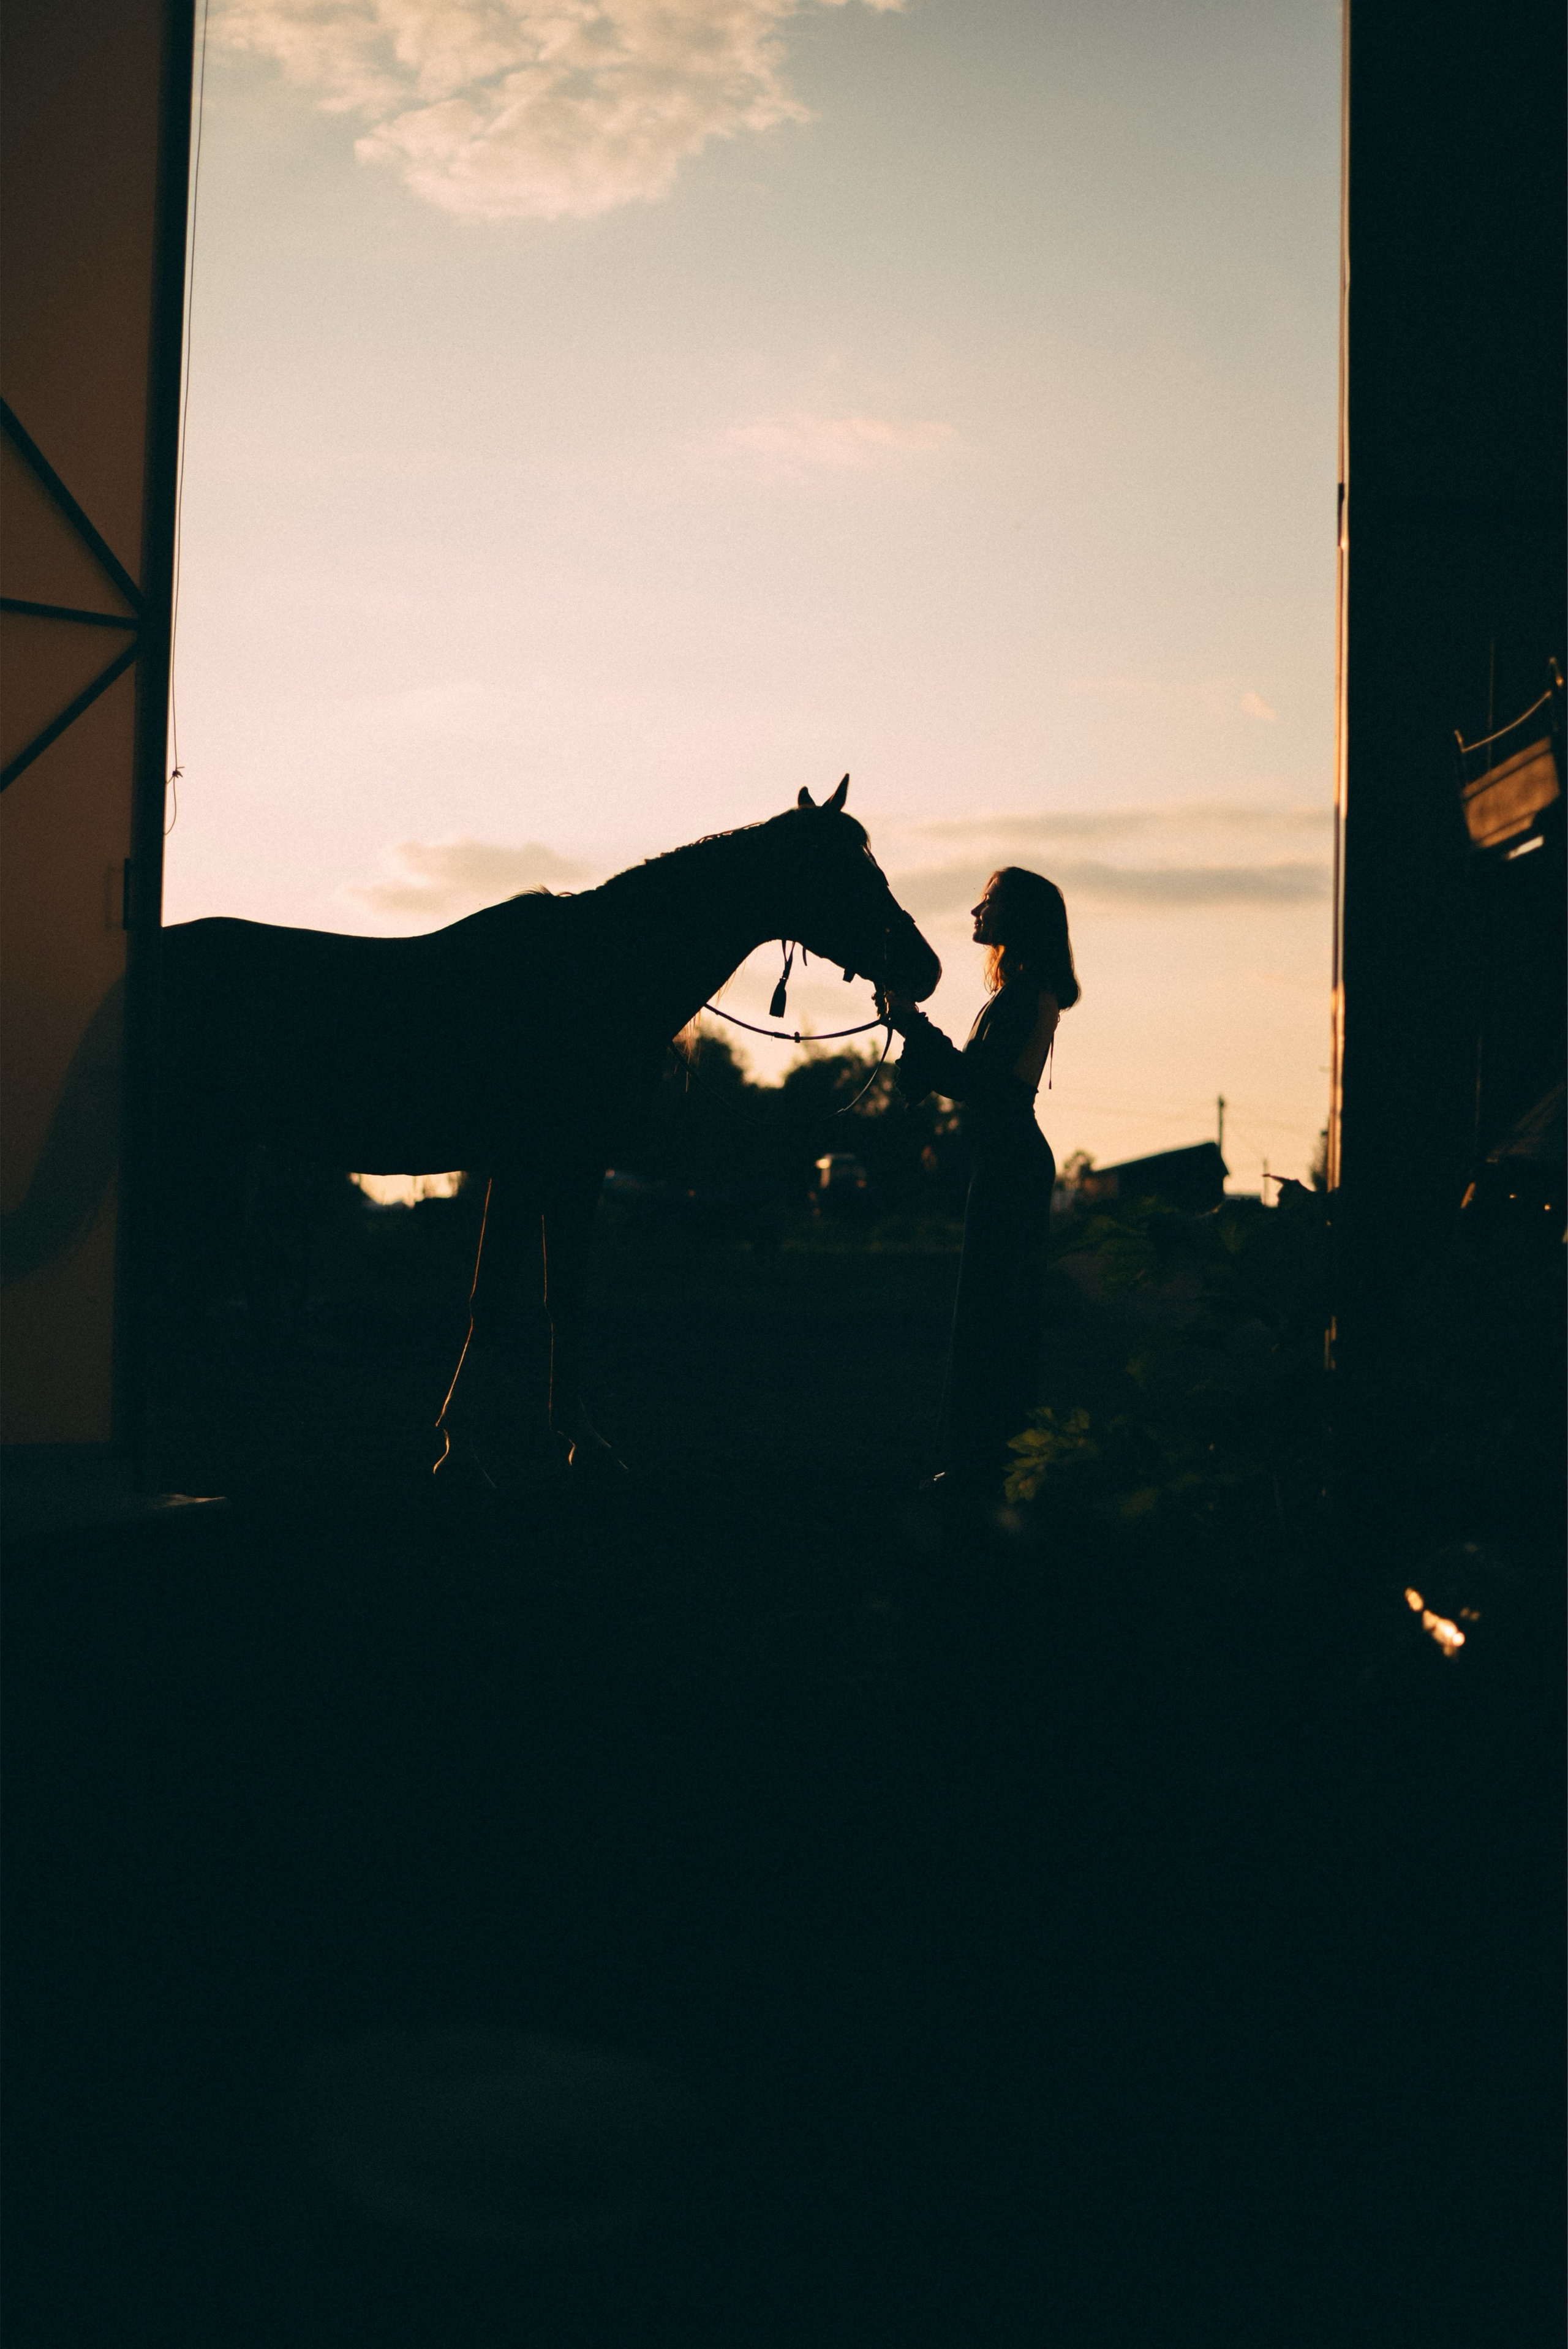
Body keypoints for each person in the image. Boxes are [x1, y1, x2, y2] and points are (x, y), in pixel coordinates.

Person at [880, 867, 1079, 1501]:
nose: (975, 911)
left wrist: (910, 1023)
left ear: (1015, 916)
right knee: (998, 1314)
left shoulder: (1023, 995)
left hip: (1009, 1162)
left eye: (988, 902)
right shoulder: (1024, 991)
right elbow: (975, 1081)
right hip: (1010, 1157)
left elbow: (976, 1083)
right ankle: (986, 1462)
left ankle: (982, 1467)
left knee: (993, 1316)